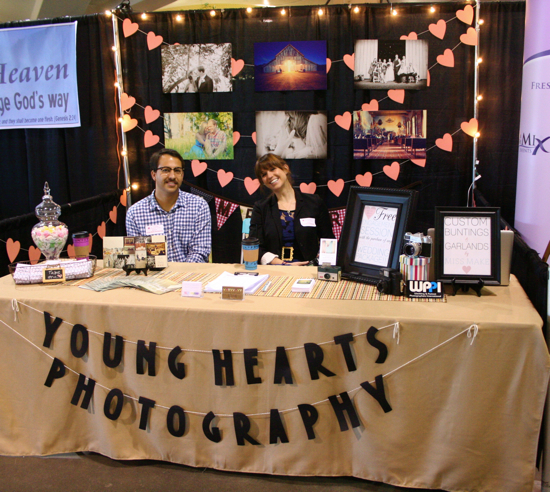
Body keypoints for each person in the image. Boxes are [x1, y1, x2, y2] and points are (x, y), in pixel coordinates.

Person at [126, 149, 211, 263]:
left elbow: (200, 251)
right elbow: (139, 258)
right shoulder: (135, 213)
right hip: (153, 278)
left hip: (190, 275)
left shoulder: (199, 206)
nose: (172, 176)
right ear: (153, 174)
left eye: (177, 170)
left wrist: (179, 276)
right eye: (165, 170)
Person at [249, 154, 334, 265]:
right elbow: (254, 247)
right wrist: (283, 264)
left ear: (285, 168)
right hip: (276, 271)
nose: (269, 175)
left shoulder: (314, 202)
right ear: (262, 181)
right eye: (264, 174)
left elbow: (329, 241)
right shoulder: (260, 208)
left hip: (310, 270)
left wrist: (320, 261)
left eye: (272, 169)